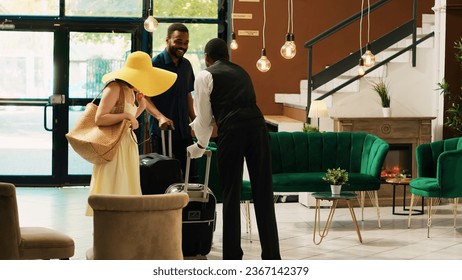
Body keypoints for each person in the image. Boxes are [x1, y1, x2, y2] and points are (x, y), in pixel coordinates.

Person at [188, 38, 281, 260]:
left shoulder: (205, 75)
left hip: (233, 131)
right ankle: (272, 256)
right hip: (259, 128)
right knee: (264, 192)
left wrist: (200, 146)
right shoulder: (242, 72)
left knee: (232, 193)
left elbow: (204, 118)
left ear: (207, 57)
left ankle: (232, 257)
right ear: (227, 56)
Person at [85, 51, 177, 216]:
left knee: (125, 185)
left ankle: (122, 225)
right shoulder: (114, 88)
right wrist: (127, 115)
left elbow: (129, 120)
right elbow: (100, 118)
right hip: (113, 146)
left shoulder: (130, 91)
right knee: (114, 185)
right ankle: (106, 227)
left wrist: (140, 105)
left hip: (126, 144)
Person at [145, 23, 197, 180]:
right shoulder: (154, 64)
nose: (183, 46)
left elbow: (187, 94)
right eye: (178, 41)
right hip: (162, 132)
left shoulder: (186, 65)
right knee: (163, 177)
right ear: (167, 40)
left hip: (183, 130)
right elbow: (144, 98)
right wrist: (160, 116)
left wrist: (195, 119)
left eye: (186, 42)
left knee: (190, 175)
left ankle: (189, 205)